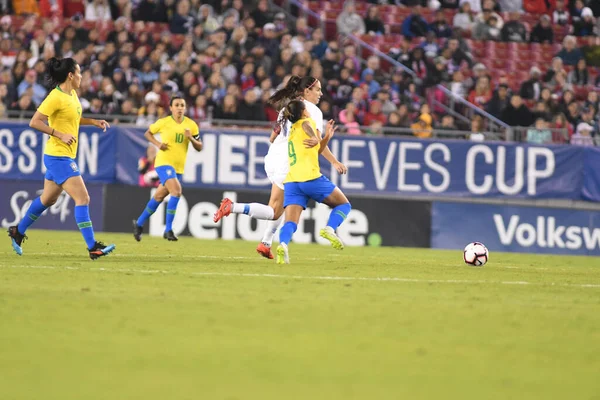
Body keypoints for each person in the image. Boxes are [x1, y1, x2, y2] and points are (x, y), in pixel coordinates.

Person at [212, 75, 347, 259]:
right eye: (318, 90)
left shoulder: (287, 108)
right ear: (306, 91)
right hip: (290, 163)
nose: (321, 93)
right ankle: (232, 207)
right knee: (275, 212)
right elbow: (314, 142)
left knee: (280, 207)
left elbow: (272, 137)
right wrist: (333, 160)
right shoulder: (312, 110)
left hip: (273, 158)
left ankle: (266, 243)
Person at [7, 57, 115, 260]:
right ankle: (93, 247)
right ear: (71, 75)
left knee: (48, 199)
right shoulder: (55, 97)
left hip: (61, 156)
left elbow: (73, 118)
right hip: (58, 157)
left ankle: (17, 231)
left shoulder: (72, 94)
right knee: (83, 198)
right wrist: (59, 134)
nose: (82, 76)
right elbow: (35, 121)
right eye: (80, 72)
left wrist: (93, 121)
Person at [275, 100, 351, 264]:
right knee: (344, 205)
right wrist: (318, 137)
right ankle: (329, 229)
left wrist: (324, 139)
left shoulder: (292, 129)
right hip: (310, 178)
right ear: (303, 111)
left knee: (290, 222)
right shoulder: (306, 122)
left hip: (292, 182)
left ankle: (283, 245)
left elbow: (317, 147)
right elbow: (308, 128)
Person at [132, 95, 203, 242]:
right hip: (164, 163)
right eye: (176, 105)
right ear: (171, 108)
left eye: (182, 105)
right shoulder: (164, 122)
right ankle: (168, 229)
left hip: (178, 168)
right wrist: (158, 145)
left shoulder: (191, 125)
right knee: (176, 192)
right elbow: (148, 133)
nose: (179, 108)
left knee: (158, 197)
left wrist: (190, 138)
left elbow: (199, 147)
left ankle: (138, 223)